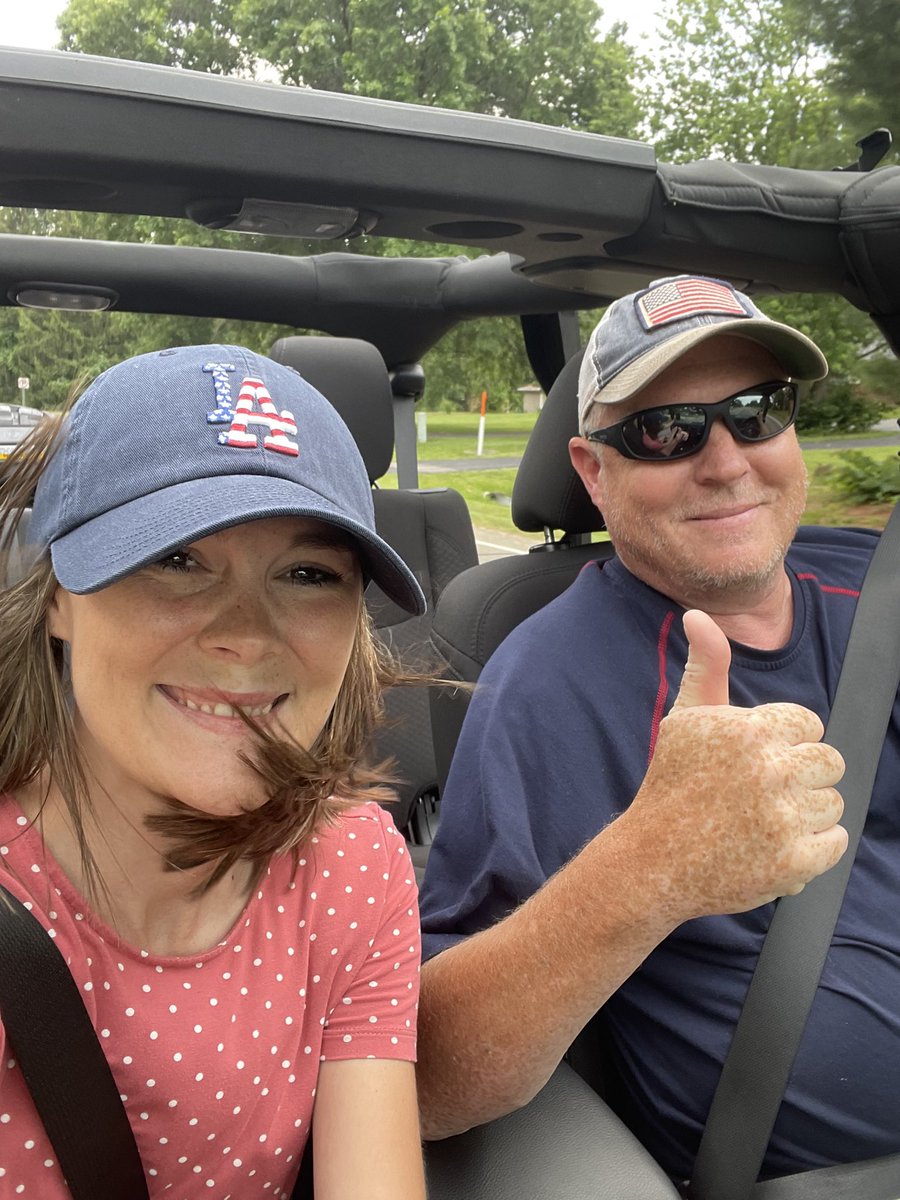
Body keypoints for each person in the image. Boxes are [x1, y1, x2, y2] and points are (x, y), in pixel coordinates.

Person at [416, 275, 900, 1183]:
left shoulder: (885, 585)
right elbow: (429, 1070)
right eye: (665, 430)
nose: (725, 462)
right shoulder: (549, 681)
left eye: (758, 412)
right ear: (592, 472)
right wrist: (656, 865)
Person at [0, 345, 428, 1199]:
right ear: (55, 595)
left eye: (308, 575)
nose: (248, 633)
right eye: (177, 559)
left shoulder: (352, 872)